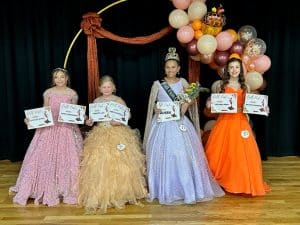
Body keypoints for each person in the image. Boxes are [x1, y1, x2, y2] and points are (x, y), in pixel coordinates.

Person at [143, 47, 224, 205]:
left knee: (182, 155)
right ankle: (165, 188)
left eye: (174, 67)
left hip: (179, 122)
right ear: (164, 68)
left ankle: (187, 188)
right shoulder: (157, 84)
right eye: (168, 67)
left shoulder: (183, 82)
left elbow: (191, 99)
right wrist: (156, 109)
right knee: (164, 155)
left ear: (179, 68)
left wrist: (185, 107)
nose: (170, 69)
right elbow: (152, 105)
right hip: (162, 123)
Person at [9, 68, 83, 206]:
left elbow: (75, 111)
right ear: (53, 79)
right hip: (50, 128)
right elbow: (45, 110)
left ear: (67, 78)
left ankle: (65, 186)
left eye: (62, 77)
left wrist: (82, 117)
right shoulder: (48, 93)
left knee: (68, 156)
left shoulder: (72, 93)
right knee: (43, 156)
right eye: (56, 77)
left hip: (66, 128)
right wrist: (31, 119)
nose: (59, 79)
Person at [78, 75, 148, 214]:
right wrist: (90, 122)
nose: (106, 89)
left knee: (120, 164)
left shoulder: (118, 100)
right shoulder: (97, 100)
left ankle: (121, 193)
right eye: (104, 87)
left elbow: (127, 115)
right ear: (99, 88)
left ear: (114, 87)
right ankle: (100, 194)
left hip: (117, 132)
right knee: (99, 164)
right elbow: (93, 117)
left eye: (109, 87)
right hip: (100, 133)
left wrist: (119, 121)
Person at [204, 57, 270, 196]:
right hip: (225, 121)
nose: (234, 70)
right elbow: (216, 102)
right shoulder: (220, 85)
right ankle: (224, 180)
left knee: (243, 153)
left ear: (241, 70)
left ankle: (241, 182)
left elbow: (250, 103)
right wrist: (211, 104)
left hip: (240, 121)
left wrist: (263, 108)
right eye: (232, 67)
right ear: (227, 69)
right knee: (224, 152)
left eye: (237, 67)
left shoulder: (245, 86)